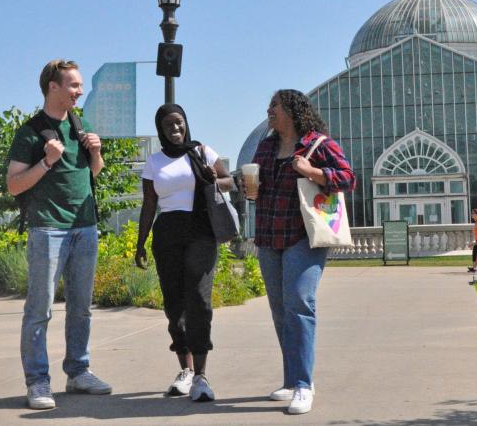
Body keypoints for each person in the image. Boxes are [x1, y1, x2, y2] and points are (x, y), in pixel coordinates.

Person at [6, 59, 112, 410]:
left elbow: (92, 174)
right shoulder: (30, 132)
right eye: (73, 85)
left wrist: (95, 153)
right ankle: (38, 381)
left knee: (81, 308)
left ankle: (78, 372)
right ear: (53, 87)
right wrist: (47, 161)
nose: (80, 91)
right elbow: (14, 185)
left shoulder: (81, 125)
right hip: (48, 228)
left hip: (85, 226)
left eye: (80, 85)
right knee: (40, 310)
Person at [246, 89, 355, 415]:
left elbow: (349, 178)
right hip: (268, 235)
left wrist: (312, 172)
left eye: (275, 106)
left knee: (299, 303)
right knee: (281, 312)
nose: (269, 110)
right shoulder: (265, 145)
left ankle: (305, 386)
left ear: (292, 111)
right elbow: (257, 182)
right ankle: (292, 380)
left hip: (303, 237)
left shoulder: (317, 144)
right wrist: (248, 186)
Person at [135, 103, 233, 402]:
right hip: (167, 233)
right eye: (168, 126)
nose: (175, 129)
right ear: (160, 130)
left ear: (186, 123)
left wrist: (211, 178)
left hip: (201, 231)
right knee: (174, 303)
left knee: (199, 300)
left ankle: (202, 377)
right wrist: (140, 243)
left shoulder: (203, 151)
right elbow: (149, 204)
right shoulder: (154, 162)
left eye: (179, 123)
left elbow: (231, 182)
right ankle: (186, 371)